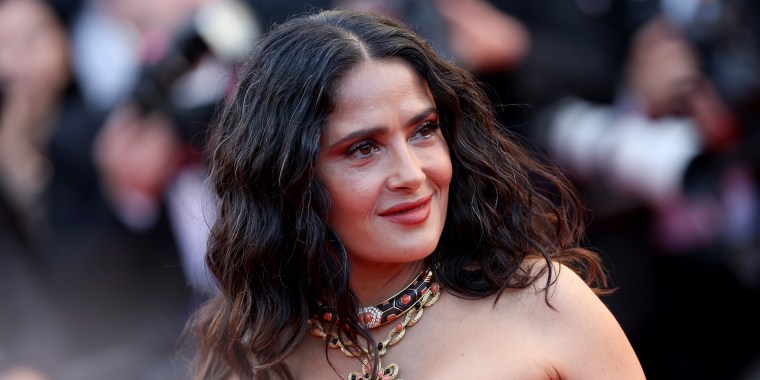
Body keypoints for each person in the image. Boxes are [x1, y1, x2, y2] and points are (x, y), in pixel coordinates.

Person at [187, 9, 645, 380]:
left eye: (424, 131)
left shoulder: (547, 304)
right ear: (288, 177)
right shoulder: (252, 353)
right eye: (363, 148)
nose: (412, 174)